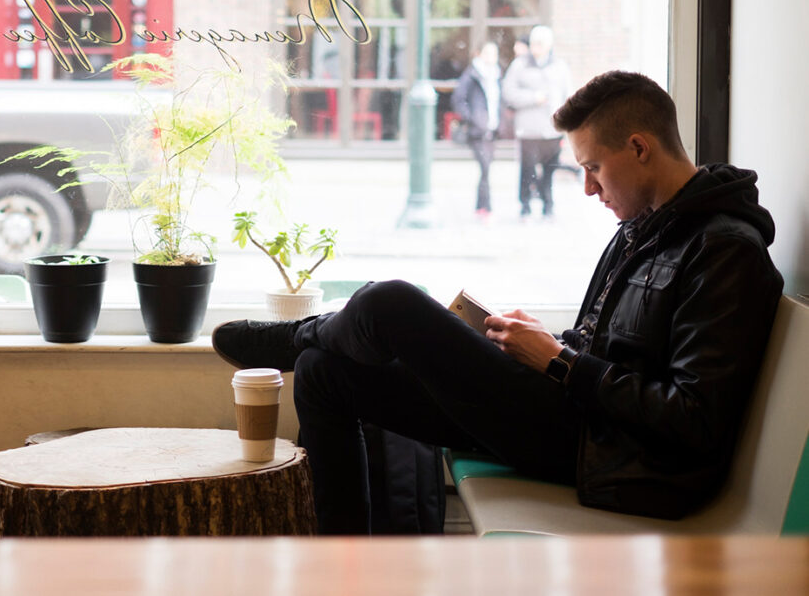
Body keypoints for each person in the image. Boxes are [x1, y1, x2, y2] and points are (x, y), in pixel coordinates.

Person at [212, 70, 784, 534]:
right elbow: (617, 351)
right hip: (576, 422)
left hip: (612, 456)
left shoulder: (725, 252)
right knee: (322, 373)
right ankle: (347, 574)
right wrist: (554, 344)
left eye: (592, 167)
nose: (588, 188)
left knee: (391, 303)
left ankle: (297, 333)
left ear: (639, 147)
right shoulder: (645, 228)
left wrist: (559, 361)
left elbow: (693, 420)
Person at [501, 25, 571, 217]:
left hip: (551, 130)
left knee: (549, 171)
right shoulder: (520, 65)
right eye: (533, 43)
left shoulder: (559, 66)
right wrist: (533, 98)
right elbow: (509, 92)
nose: (536, 47)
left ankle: (548, 204)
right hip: (528, 130)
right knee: (528, 172)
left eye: (540, 43)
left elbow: (568, 95)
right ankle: (525, 205)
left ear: (549, 45)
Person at [450, 41, 502, 216]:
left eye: (493, 53)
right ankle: (485, 207)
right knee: (485, 166)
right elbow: (459, 99)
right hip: (477, 130)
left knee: (486, 167)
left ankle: (481, 206)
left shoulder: (497, 76)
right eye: (487, 53)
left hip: (492, 128)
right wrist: (472, 118)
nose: (491, 57)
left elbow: (498, 101)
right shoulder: (472, 75)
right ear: (479, 54)